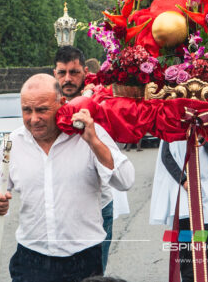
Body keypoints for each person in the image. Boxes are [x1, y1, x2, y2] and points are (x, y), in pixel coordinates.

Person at [0, 74, 134, 282]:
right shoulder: (13, 143)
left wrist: (94, 142)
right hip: (31, 259)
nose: (34, 119)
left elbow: (125, 180)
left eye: (42, 110)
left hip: (83, 259)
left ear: (62, 104)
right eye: (27, 110)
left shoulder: (88, 133)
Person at [53, 46, 129, 273]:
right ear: (54, 74)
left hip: (98, 207)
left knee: (93, 275)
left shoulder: (103, 102)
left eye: (74, 72)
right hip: (58, 206)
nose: (68, 78)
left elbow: (121, 147)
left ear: (85, 71)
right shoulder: (47, 107)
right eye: (62, 72)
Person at [150, 139, 208, 282]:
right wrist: (183, 180)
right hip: (185, 208)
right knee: (189, 268)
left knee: (206, 266)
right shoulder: (174, 121)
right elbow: (166, 155)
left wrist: (202, 137)